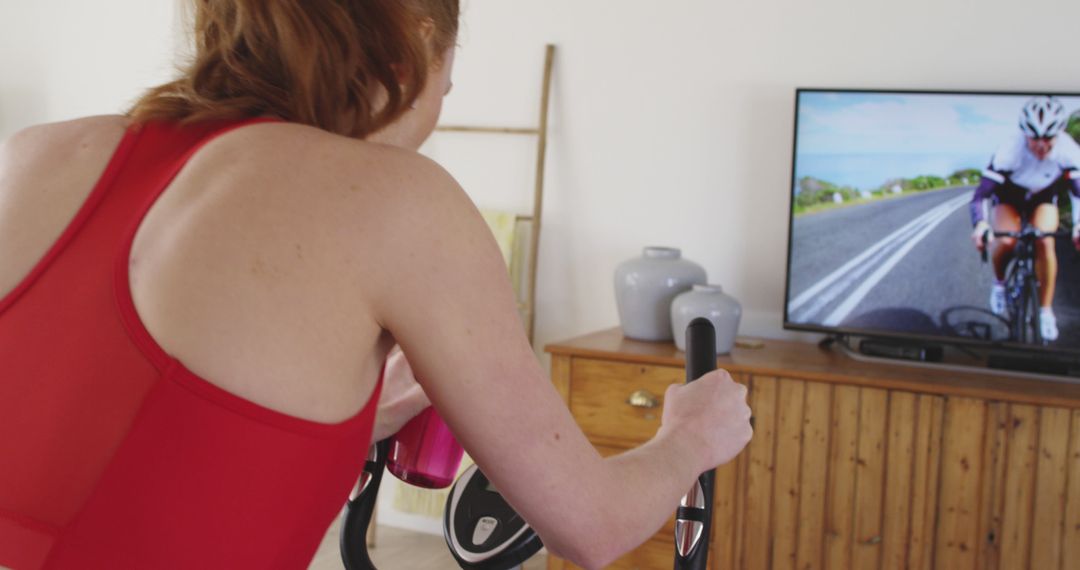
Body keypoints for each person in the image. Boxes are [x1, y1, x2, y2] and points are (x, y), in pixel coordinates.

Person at [0, 1, 752, 568]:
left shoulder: (37, 154)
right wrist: (690, 436)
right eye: (445, 89)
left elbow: (99, 441)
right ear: (412, 46)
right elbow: (591, 526)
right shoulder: (397, 199)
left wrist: (347, 424)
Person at [969, 95, 1080, 342]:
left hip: (1043, 198)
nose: (1041, 146)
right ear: (1024, 134)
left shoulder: (1069, 150)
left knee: (1045, 241)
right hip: (1009, 196)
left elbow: (1078, 193)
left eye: (1048, 139)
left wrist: (1078, 225)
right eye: (1034, 138)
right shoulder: (1009, 151)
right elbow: (980, 196)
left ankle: (1046, 311)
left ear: (1059, 134)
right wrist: (980, 224)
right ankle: (999, 284)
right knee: (1006, 241)